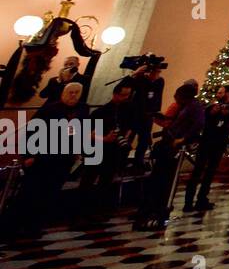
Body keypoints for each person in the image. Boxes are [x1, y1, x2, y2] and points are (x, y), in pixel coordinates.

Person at [3, 82, 87, 238]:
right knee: (29, 193)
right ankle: (11, 228)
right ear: (63, 93)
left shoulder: (82, 109)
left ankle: (34, 227)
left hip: (63, 158)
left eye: (76, 92)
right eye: (70, 92)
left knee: (50, 194)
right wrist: (29, 155)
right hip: (43, 157)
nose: (73, 95)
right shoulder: (50, 109)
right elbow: (31, 131)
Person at [133, 80, 205, 230]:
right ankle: (151, 209)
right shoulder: (184, 107)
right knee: (158, 177)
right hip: (169, 144)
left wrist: (182, 139)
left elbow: (198, 124)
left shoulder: (194, 107)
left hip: (174, 147)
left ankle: (158, 209)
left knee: (164, 178)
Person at [78, 81, 136, 216]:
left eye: (128, 95)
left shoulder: (127, 110)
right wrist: (105, 138)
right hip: (96, 149)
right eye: (123, 95)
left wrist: (125, 137)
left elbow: (131, 126)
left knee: (106, 180)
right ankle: (81, 210)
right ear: (115, 94)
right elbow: (88, 132)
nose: (125, 98)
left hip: (114, 151)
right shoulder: (100, 112)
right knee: (88, 179)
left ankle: (100, 209)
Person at [184, 84, 229, 212]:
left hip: (219, 143)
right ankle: (188, 202)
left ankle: (202, 199)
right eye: (218, 93)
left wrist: (226, 116)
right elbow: (204, 122)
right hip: (206, 142)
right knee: (197, 171)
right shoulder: (210, 107)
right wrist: (211, 113)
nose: (218, 95)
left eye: (221, 93)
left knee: (210, 172)